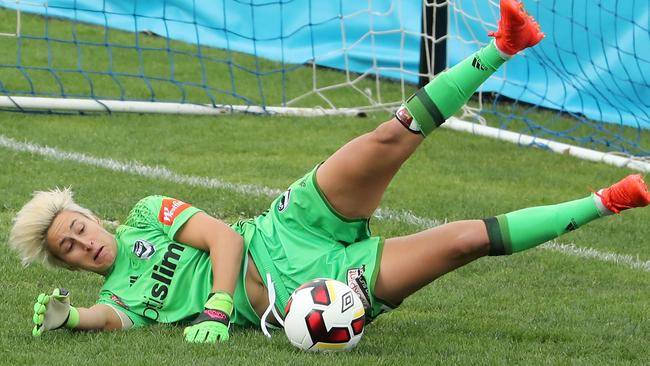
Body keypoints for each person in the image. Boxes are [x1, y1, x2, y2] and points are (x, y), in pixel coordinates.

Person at [8, 0, 650, 344]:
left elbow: (224, 239)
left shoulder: (149, 213)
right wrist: (68, 318)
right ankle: (614, 198)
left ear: (93, 215)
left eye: (79, 226)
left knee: (385, 138)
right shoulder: (123, 297)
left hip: (283, 228)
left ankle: (505, 44)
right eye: (70, 248)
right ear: (71, 266)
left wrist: (215, 306)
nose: (85, 242)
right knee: (463, 243)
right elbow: (109, 320)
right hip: (298, 293)